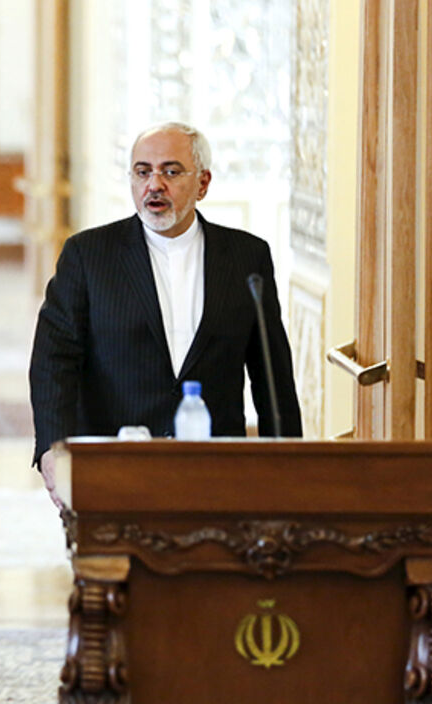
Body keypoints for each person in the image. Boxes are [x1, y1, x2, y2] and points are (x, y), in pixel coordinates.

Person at [29, 122, 302, 508]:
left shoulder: (246, 257)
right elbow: (53, 362)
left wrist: (289, 463)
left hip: (216, 471)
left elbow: (272, 372)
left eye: (171, 171)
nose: (154, 184)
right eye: (143, 172)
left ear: (203, 183)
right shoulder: (88, 255)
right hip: (114, 467)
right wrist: (51, 450)